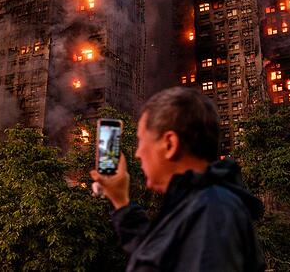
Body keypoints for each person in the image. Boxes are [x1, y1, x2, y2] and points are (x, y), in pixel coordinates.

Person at [90, 87, 265, 271]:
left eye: (141, 141)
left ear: (169, 144)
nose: (137, 154)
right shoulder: (197, 207)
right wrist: (120, 201)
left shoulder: (212, 213)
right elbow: (155, 255)